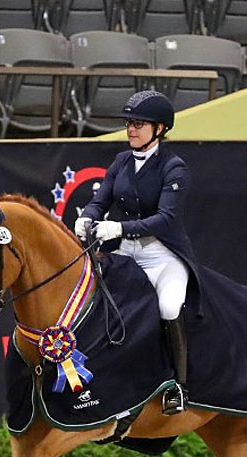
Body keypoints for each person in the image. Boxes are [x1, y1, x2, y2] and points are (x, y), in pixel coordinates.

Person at [74, 90, 200, 415]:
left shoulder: (175, 168)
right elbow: (101, 199)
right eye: (129, 123)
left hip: (162, 255)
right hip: (127, 254)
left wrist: (119, 228)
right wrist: (87, 216)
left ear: (159, 129)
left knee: (169, 306)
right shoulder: (121, 162)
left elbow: (166, 219)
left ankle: (179, 387)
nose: (131, 129)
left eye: (139, 124)